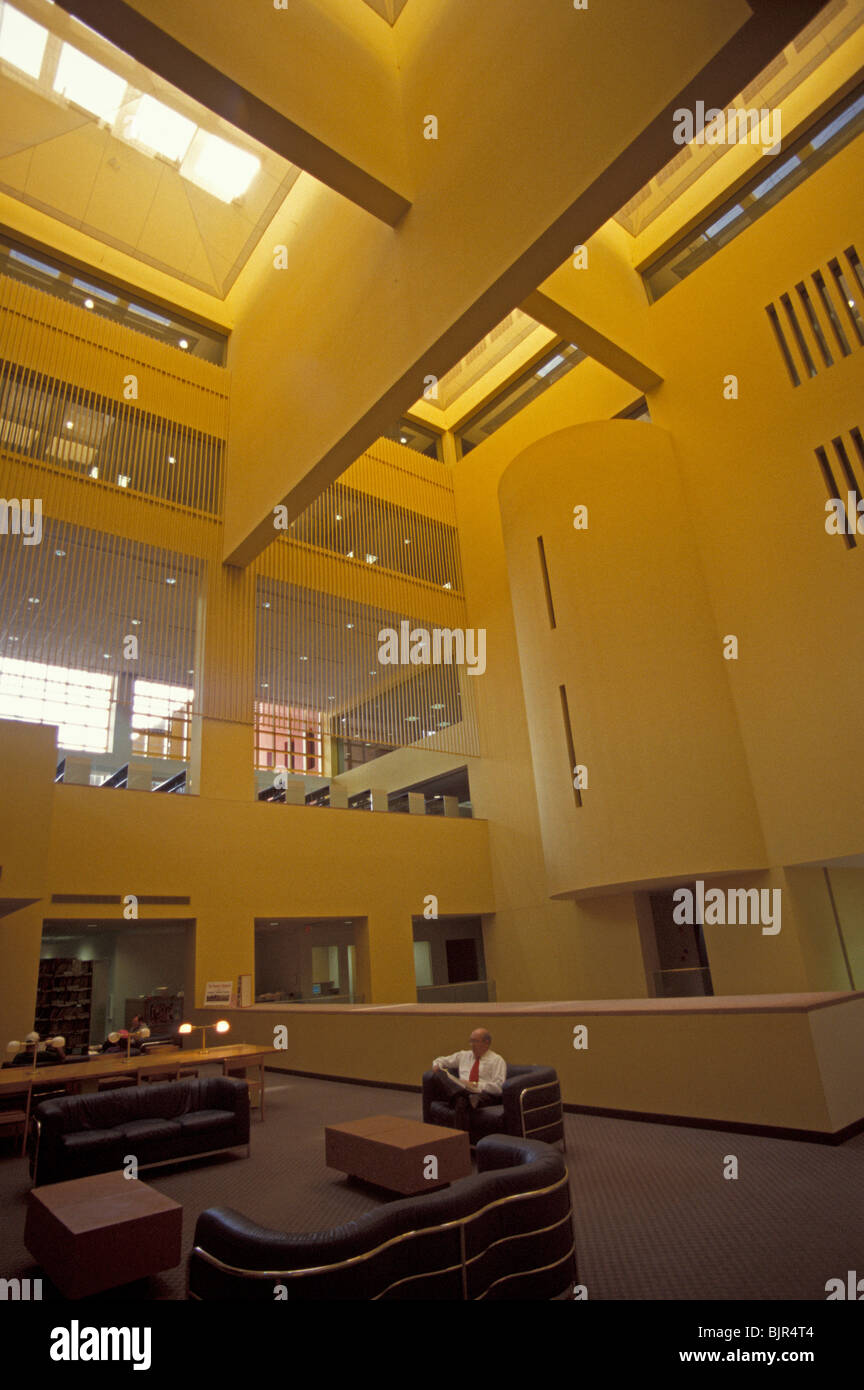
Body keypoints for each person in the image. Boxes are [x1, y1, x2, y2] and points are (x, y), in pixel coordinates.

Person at [431, 1027, 506, 1132]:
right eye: (471, 1041)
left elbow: (499, 1087)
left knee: (462, 1100)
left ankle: (459, 1140)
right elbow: (440, 1060)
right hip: (462, 1089)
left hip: (482, 1094)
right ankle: (462, 1094)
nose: (472, 1045)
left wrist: (475, 1084)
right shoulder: (464, 1055)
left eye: (475, 1041)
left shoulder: (497, 1060)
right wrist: (436, 1065)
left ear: (487, 1043)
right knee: (440, 1074)